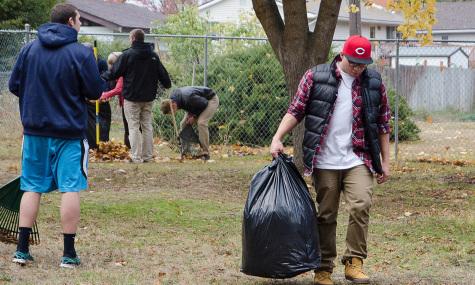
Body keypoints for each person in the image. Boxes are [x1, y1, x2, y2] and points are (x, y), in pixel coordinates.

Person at [269, 35, 391, 285]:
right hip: (324, 160)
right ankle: (323, 268)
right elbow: (296, 110)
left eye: (363, 64)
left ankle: (354, 262)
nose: (358, 68)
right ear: (342, 55)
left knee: (360, 205)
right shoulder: (316, 76)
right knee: (326, 214)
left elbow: (383, 123)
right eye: (354, 62)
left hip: (358, 157)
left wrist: (385, 162)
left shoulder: (374, 82)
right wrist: (277, 137)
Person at [8, 3, 105, 268]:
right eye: (80, 19)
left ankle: (21, 250)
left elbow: (13, 85)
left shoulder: (28, 50)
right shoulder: (81, 53)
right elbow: (96, 91)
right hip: (69, 132)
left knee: (31, 186)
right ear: (71, 22)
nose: (81, 23)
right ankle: (68, 254)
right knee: (70, 187)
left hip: (35, 131)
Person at [103, 29, 171, 163]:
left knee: (133, 126)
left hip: (132, 98)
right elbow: (164, 77)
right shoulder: (153, 56)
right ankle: (147, 156)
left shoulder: (128, 55)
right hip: (148, 98)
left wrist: (102, 75)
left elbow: (114, 73)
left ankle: (136, 156)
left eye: (129, 37)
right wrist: (166, 84)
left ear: (133, 38)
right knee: (147, 125)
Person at [160, 86, 219, 160]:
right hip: (194, 105)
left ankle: (205, 152)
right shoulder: (173, 98)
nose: (173, 114)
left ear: (173, 105)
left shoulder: (188, 98)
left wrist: (194, 117)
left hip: (210, 100)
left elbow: (204, 104)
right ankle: (186, 150)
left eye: (171, 112)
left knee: (201, 122)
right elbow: (191, 106)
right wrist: (190, 115)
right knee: (183, 124)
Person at [99, 52, 131, 148]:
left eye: (113, 64)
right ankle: (128, 146)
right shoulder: (116, 72)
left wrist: (104, 95)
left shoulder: (122, 72)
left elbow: (118, 89)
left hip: (129, 101)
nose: (111, 66)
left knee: (129, 126)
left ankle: (131, 147)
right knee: (127, 126)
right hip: (124, 102)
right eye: (110, 64)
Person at [83, 43, 111, 149]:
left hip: (100, 98)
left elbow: (105, 79)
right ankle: (90, 143)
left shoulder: (101, 62)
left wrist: (103, 94)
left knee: (100, 122)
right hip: (88, 98)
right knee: (89, 123)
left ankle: (101, 143)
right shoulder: (83, 61)